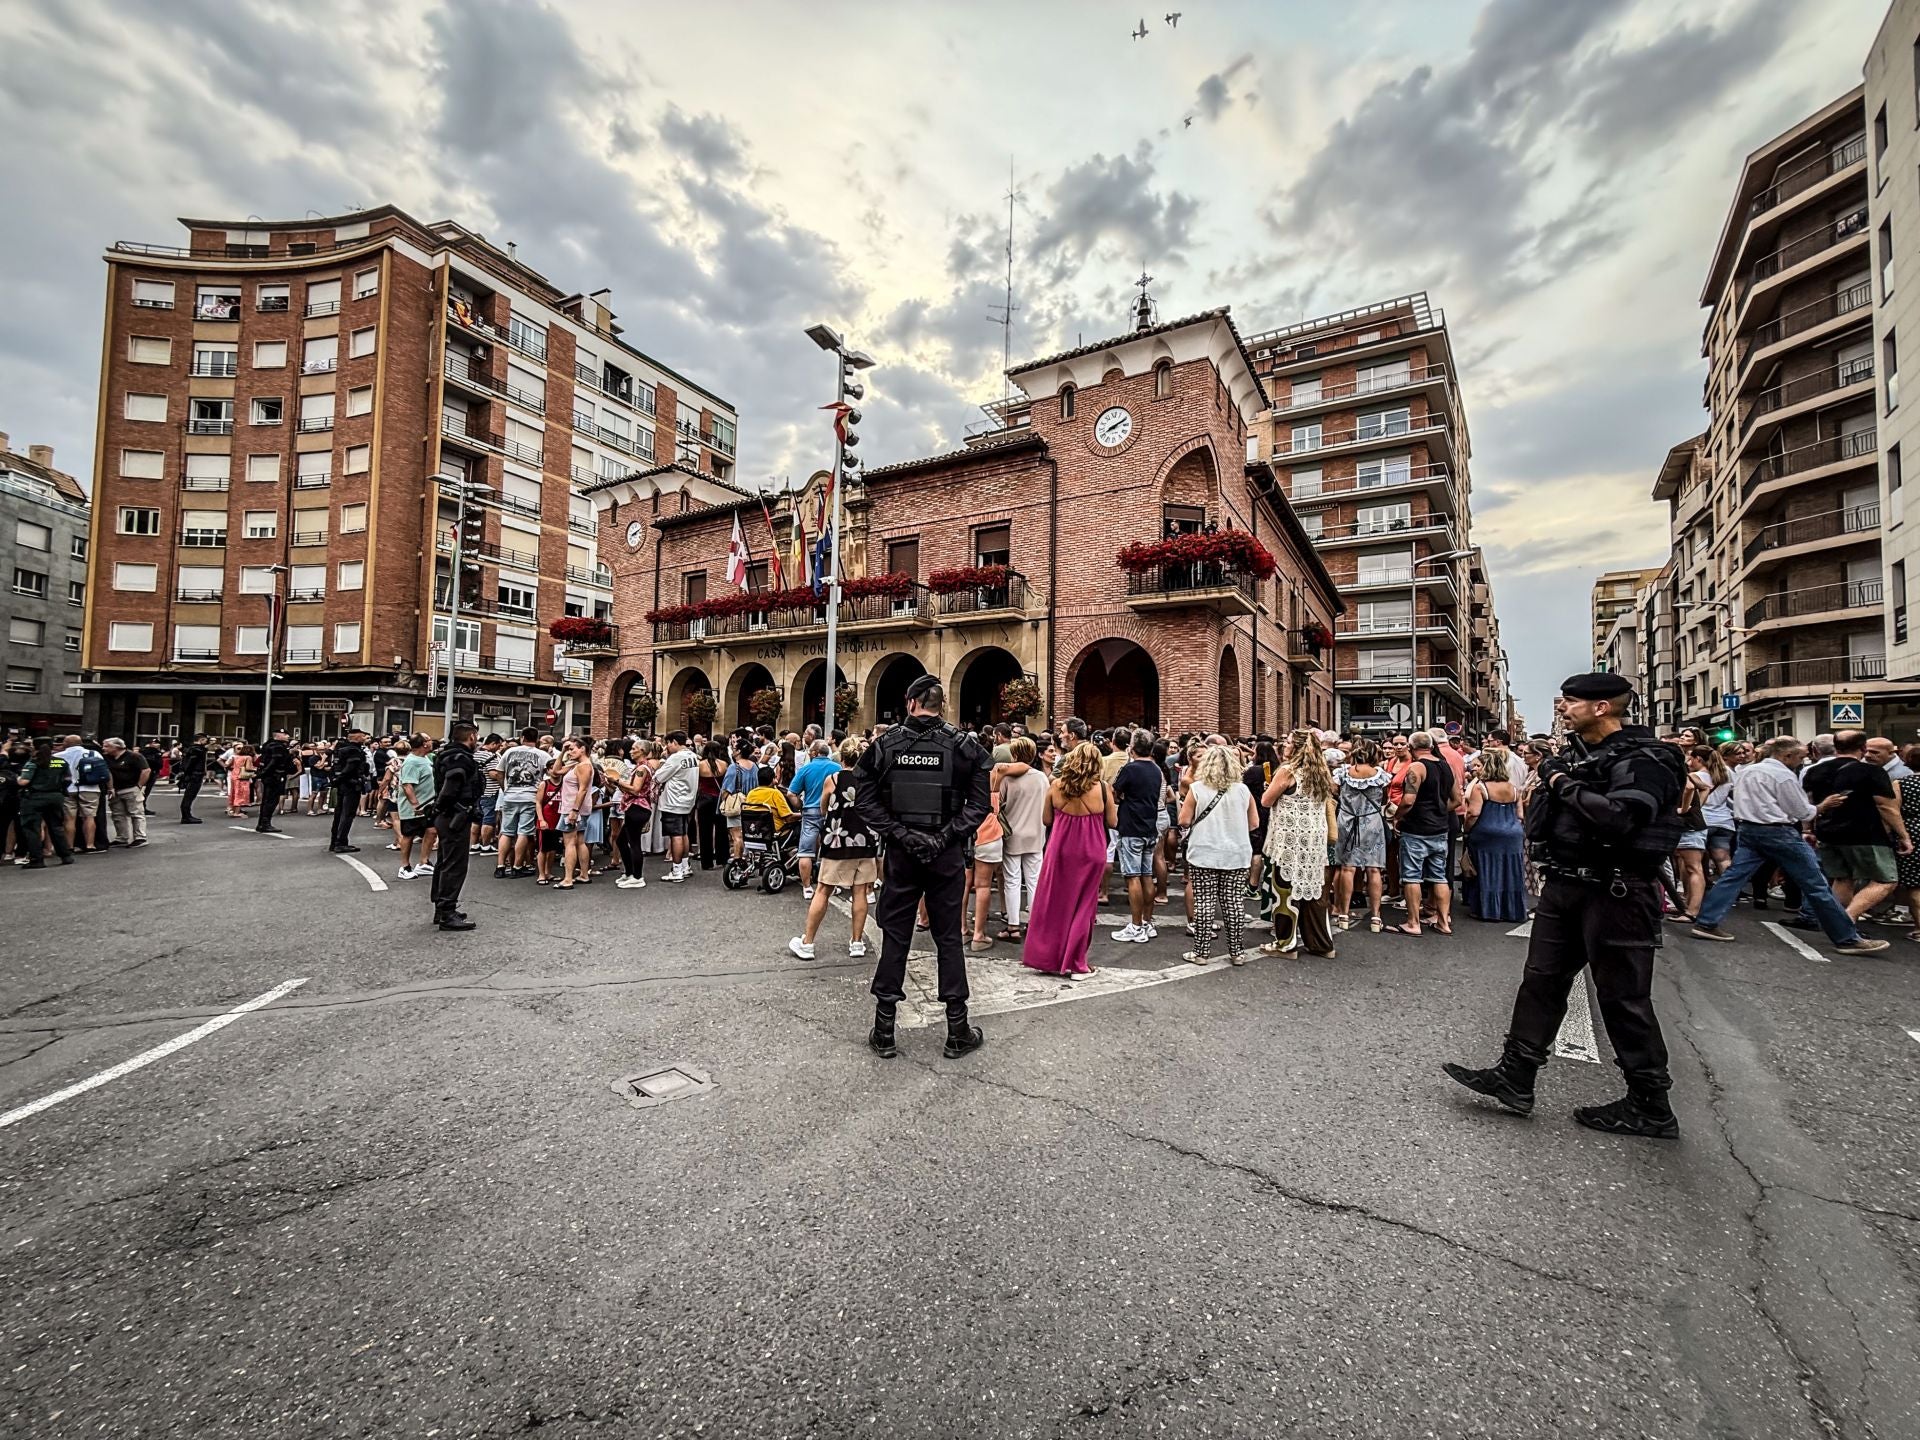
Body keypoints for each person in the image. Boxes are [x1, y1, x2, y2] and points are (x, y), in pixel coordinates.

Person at [1445, 673, 1694, 1139]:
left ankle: (1650, 1104)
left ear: (1603, 707)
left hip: (1618, 889)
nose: (1563, 706)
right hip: (1567, 884)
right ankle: (1515, 1076)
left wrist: (1559, 781)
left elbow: (1619, 818)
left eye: (1573, 700)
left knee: (1623, 997)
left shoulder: (1648, 758)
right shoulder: (1581, 757)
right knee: (1541, 981)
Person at [849, 674, 991, 1060]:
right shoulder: (966, 747)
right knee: (948, 937)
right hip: (944, 854)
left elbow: (863, 800)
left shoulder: (885, 745)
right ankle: (957, 1029)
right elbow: (979, 806)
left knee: (896, 935)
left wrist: (901, 834)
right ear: (941, 705)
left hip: (902, 852)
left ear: (910, 703)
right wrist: (944, 837)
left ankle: (884, 1030)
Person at [1690, 736, 1889, 953]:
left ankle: (1706, 921)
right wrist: (1822, 806)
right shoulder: (1783, 775)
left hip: (1748, 828)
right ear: (1787, 755)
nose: (1801, 762)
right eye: (1800, 757)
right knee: (1816, 883)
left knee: (1732, 877)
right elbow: (1801, 810)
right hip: (1777, 831)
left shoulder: (1747, 771)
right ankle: (1847, 937)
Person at [1021, 741, 1115, 980]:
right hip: (1092, 850)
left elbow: (1046, 820)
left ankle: (1047, 957)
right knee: (1084, 907)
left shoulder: (1056, 785)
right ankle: (1076, 963)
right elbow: (1113, 822)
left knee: (1054, 903)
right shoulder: (1103, 788)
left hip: (1060, 849)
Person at [1800, 729, 1911, 921]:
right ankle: (1846, 920)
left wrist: (1808, 829)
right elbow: (1886, 807)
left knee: (1843, 878)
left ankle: (1834, 922)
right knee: (1886, 880)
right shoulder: (1871, 771)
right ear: (1863, 747)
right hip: (1865, 833)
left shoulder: (1814, 770)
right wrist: (1904, 836)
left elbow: (1808, 802)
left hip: (1828, 832)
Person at [790, 738, 877, 960]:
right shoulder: (871, 780)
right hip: (864, 841)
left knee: (823, 890)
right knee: (860, 891)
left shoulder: (833, 779)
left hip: (838, 839)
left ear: (843, 757)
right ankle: (856, 942)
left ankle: (808, 943)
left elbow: (823, 807)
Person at [1260, 730, 1338, 956]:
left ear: (1295, 747)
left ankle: (1285, 944)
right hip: (1314, 839)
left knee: (1284, 891)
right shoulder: (1321, 772)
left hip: (1289, 838)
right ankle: (1322, 944)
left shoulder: (1287, 771)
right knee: (1314, 893)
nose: (1284, 745)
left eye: (1288, 742)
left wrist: (1270, 789)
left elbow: (1267, 801)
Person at [1181, 743, 1259, 965]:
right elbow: (1254, 824)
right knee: (1233, 903)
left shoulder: (1197, 789)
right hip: (1236, 853)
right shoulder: (1243, 791)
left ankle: (1201, 952)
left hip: (1204, 852)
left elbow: (1184, 820)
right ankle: (1237, 953)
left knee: (1204, 903)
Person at [1387, 732, 1455, 937]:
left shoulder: (1417, 767)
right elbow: (1458, 799)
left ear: (1410, 746)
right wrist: (1440, 811)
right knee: (1439, 876)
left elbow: (1408, 800)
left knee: (1411, 876)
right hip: (1440, 828)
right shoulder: (1445, 766)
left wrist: (1397, 817)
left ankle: (1413, 922)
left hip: (1417, 828)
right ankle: (1443, 921)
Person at [1110, 729, 1166, 943]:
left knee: (1132, 876)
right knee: (1146, 875)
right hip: (1150, 826)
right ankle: (1147, 921)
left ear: (1132, 747)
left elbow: (1115, 793)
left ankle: (1135, 926)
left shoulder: (1130, 769)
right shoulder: (1156, 770)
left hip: (1131, 826)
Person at [1331, 738, 1391, 932]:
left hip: (1347, 821)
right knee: (1374, 870)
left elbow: (1335, 794)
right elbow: (1385, 798)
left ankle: (1343, 914)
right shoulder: (1380, 775)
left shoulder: (1342, 773)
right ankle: (1375, 917)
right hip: (1371, 821)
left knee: (1348, 868)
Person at [1463, 747, 1526, 922]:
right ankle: (1512, 910)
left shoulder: (1481, 787)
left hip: (1487, 833)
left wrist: (1467, 830)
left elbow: (1473, 813)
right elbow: (1520, 815)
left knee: (1487, 870)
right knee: (1510, 871)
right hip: (1513, 834)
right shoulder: (1514, 789)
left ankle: (1489, 910)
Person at [429, 722, 481, 930]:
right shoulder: (459, 757)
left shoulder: (447, 754)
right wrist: (442, 808)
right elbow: (451, 786)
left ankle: (442, 908)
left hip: (450, 814)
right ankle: (447, 912)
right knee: (454, 865)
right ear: (472, 737)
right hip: (455, 815)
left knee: (445, 862)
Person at [998, 738, 1048, 941]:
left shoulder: (1007, 779)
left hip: (1013, 834)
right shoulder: (1042, 778)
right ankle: (1036, 923)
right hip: (1036, 833)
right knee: (1034, 880)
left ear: (1014, 755)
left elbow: (999, 804)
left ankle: (1013, 925)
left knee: (1012, 880)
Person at [788, 739, 842, 899]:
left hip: (810, 811)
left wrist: (800, 805)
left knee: (805, 851)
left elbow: (791, 793)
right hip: (832, 811)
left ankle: (807, 887)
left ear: (815, 753)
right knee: (832, 849)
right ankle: (833, 884)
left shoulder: (806, 769)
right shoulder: (837, 768)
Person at [491, 727, 547, 878]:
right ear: (537, 739)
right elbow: (551, 773)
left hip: (510, 795)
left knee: (506, 831)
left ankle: (500, 866)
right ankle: (517, 866)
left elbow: (499, 773)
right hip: (530, 796)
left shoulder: (509, 752)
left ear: (522, 738)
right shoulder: (542, 755)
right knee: (523, 831)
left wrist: (505, 788)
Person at [14, 740, 74, 867]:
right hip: (55, 796)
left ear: (34, 748)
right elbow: (68, 779)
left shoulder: (33, 762)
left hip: (34, 798)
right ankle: (65, 855)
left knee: (32, 828)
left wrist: (17, 778)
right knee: (56, 826)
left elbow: (23, 782)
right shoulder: (61, 761)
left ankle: (36, 859)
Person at [654, 732, 699, 883]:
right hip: (688, 800)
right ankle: (685, 866)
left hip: (673, 801)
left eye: (668, 743)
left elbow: (659, 777)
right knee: (683, 833)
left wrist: (662, 763)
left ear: (674, 742)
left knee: (675, 836)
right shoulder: (692, 756)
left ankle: (677, 869)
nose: (666, 747)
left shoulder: (676, 757)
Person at [553, 738, 595, 890]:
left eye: (573, 749)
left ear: (583, 749)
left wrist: (574, 810)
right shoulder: (577, 765)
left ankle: (568, 878)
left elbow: (582, 789)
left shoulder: (584, 766)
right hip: (576, 808)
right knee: (579, 841)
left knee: (569, 843)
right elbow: (556, 771)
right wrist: (563, 752)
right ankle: (584, 874)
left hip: (573, 808)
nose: (570, 752)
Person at [395, 737, 437, 880]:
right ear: (424, 743)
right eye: (429, 740)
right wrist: (414, 804)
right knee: (409, 835)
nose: (432, 742)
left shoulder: (425, 758)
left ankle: (424, 862)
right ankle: (404, 866)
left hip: (428, 804)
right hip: (414, 806)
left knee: (431, 831)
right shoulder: (412, 762)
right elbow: (407, 785)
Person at [327, 728, 372, 852]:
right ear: (357, 738)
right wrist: (342, 778)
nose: (365, 739)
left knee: (339, 814)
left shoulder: (341, 749)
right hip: (351, 784)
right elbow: (350, 768)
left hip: (342, 785)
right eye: (363, 737)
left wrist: (336, 780)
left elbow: (335, 767)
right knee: (347, 814)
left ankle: (334, 842)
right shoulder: (354, 751)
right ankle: (341, 843)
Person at [101, 738, 150, 848]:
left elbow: (146, 770)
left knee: (136, 813)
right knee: (117, 814)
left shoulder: (134, 756)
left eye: (106, 746)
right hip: (115, 789)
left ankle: (140, 837)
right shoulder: (107, 758)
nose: (103, 748)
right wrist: (110, 788)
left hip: (131, 788)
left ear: (117, 747)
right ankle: (121, 837)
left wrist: (139, 786)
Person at [1895, 743, 1920, 940]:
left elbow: (1892, 811)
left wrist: (1901, 836)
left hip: (1912, 831)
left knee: (1915, 884)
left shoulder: (1901, 784)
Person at [254, 728, 296, 834]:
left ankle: (262, 823)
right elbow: (274, 762)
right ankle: (265, 823)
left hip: (270, 776)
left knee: (267, 800)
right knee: (271, 800)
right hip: (275, 775)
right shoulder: (278, 747)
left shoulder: (268, 745)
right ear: (278, 735)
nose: (287, 736)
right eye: (285, 734)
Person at [695, 740, 727, 871]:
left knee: (704, 831)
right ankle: (722, 858)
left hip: (704, 799)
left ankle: (706, 862)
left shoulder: (700, 765)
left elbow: (697, 783)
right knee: (721, 829)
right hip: (719, 799)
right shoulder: (724, 764)